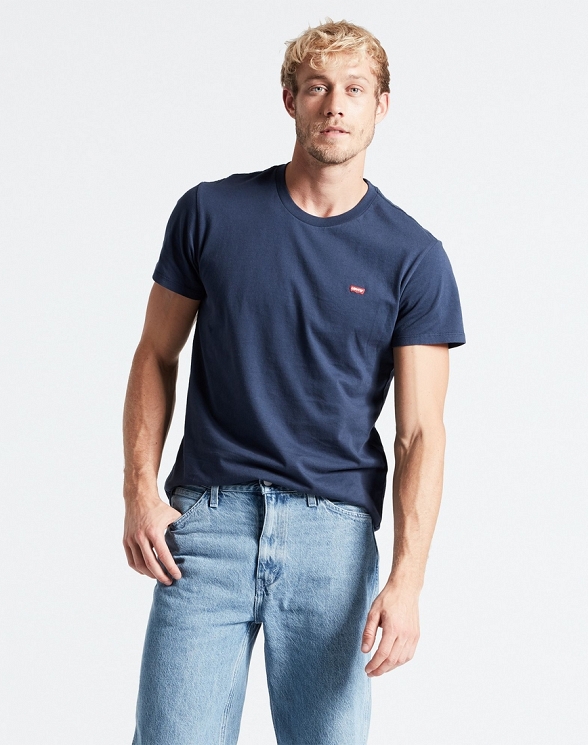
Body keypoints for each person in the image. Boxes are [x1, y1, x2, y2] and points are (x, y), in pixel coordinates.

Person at [122, 18, 465, 745]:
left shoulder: (413, 257)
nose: (334, 105)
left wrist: (407, 581)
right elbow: (155, 352)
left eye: (354, 89)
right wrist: (139, 491)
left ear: (381, 106)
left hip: (332, 540)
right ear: (290, 99)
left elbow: (420, 432)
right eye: (317, 87)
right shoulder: (211, 213)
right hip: (207, 527)